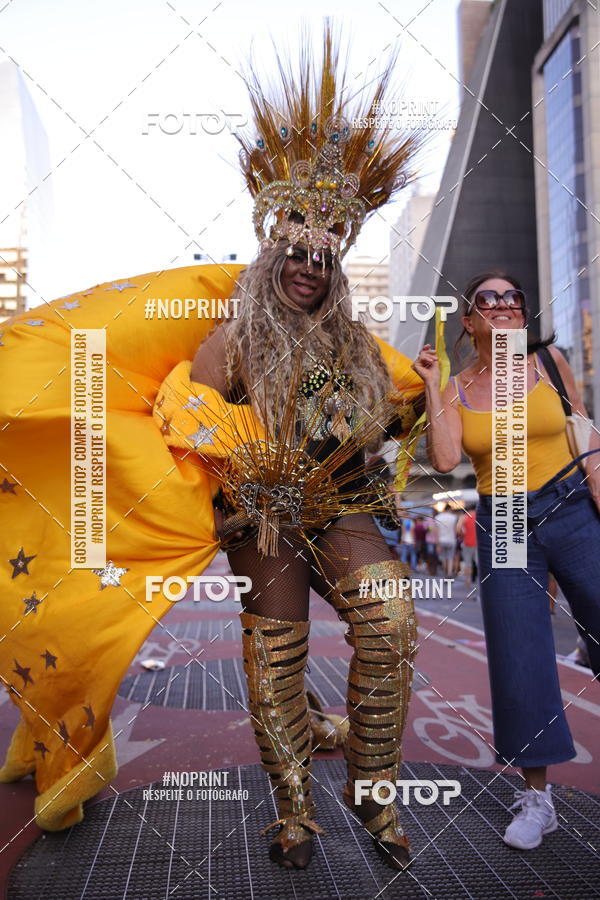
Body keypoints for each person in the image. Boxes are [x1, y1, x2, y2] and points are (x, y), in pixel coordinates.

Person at [181, 26, 429, 873]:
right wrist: (236, 458)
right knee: (275, 648)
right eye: (297, 252)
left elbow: (374, 425)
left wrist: (392, 419)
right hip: (264, 516)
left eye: (324, 259)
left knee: (393, 620)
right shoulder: (235, 335)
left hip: (344, 507)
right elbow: (192, 413)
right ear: (273, 249)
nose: (308, 269)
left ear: (336, 270)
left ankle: (375, 790)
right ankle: (294, 812)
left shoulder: (355, 345)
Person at [414, 269, 600, 851]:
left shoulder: (548, 362)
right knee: (521, 652)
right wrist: (431, 381)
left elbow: (587, 432)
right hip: (508, 516)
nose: (502, 305)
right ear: (469, 321)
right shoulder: (457, 385)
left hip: (571, 504)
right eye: (486, 299)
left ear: (521, 314)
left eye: (511, 297)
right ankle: (536, 798)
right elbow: (444, 459)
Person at [434, 504, 457, 576]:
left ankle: (445, 572)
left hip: (441, 540)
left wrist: (437, 544)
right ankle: (449, 573)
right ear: (450, 509)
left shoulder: (438, 517)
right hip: (451, 540)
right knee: (450, 558)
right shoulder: (454, 517)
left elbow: (436, 531)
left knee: (443, 557)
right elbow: (455, 530)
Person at [457, 506, 478, 583]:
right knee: (479, 562)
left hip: (467, 542)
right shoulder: (478, 516)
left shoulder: (464, 517)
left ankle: (468, 580)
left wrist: (462, 536)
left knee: (468, 562)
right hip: (478, 543)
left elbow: (458, 529)